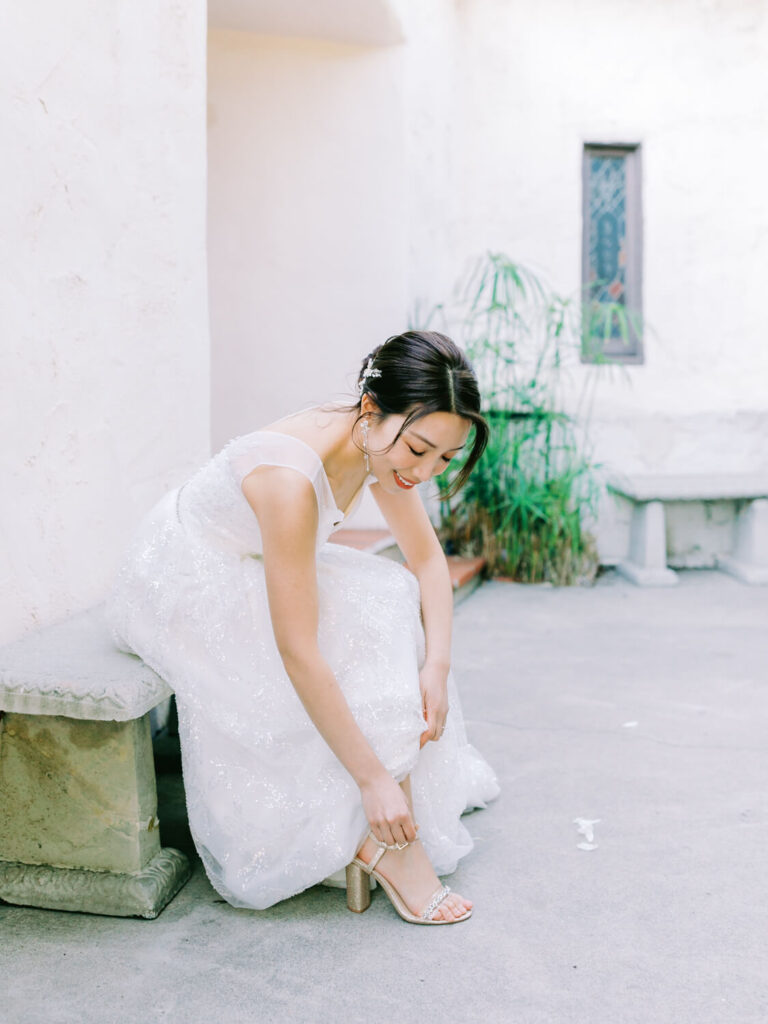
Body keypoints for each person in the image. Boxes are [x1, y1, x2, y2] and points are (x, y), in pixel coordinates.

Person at [106, 330, 499, 925]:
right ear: (372, 411)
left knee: (389, 598)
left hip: (260, 558)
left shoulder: (377, 448)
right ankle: (388, 837)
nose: (425, 472)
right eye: (419, 450)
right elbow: (298, 650)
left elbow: (426, 561)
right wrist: (372, 781)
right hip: (187, 577)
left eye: (445, 458)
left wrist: (437, 665)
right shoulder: (288, 482)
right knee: (350, 641)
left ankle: (390, 832)